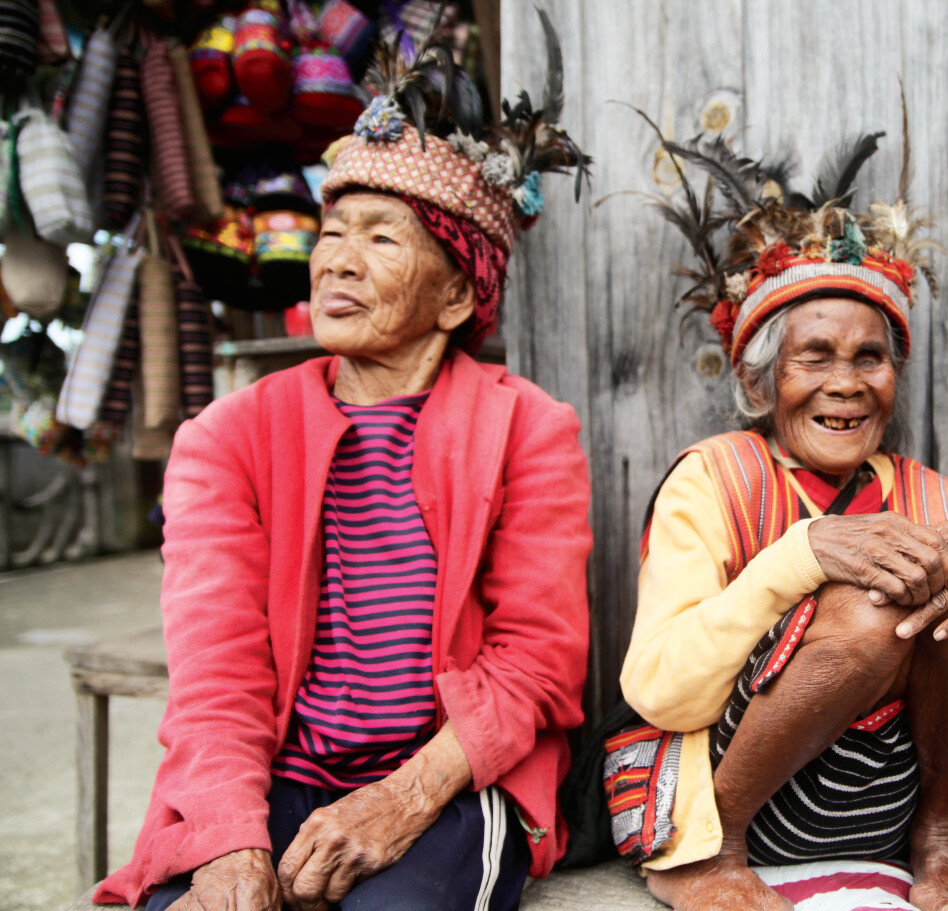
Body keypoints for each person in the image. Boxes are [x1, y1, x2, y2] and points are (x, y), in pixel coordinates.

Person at [95, 22, 594, 911]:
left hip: (450, 777)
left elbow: (538, 662)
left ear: (456, 295)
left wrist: (403, 797)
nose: (336, 262)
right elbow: (217, 671)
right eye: (332, 231)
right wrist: (228, 837)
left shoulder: (527, 427)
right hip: (282, 769)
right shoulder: (225, 437)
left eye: (381, 240)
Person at [608, 117, 948, 911]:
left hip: (890, 805)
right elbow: (660, 688)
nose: (847, 382)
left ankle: (944, 845)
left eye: (870, 358)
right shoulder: (712, 478)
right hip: (736, 799)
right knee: (867, 609)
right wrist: (803, 554)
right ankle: (710, 858)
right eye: (814, 356)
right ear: (760, 384)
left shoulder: (927, 491)